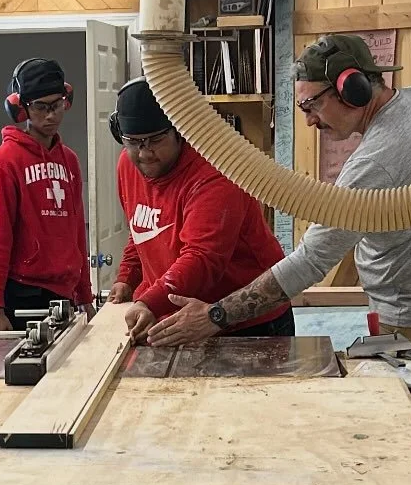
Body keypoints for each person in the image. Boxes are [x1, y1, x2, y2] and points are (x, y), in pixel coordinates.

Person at [149, 34, 411, 357]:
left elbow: (310, 261)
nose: (310, 121)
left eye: (311, 105)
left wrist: (216, 315)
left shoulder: (374, 164)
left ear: (352, 90)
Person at [107, 78, 293, 344]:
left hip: (246, 321)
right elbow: (143, 228)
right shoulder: (128, 165)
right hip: (181, 314)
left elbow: (203, 258)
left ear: (179, 130)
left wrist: (150, 302)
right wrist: (127, 277)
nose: (145, 153)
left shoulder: (217, 171)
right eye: (134, 142)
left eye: (156, 140)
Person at [0, 58, 94, 333]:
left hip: (65, 294)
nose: (51, 115)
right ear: (21, 109)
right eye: (41, 107)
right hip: (23, 293)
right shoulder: (4, 161)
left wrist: (85, 295)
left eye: (57, 105)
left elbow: (77, 231)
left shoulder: (70, 161)